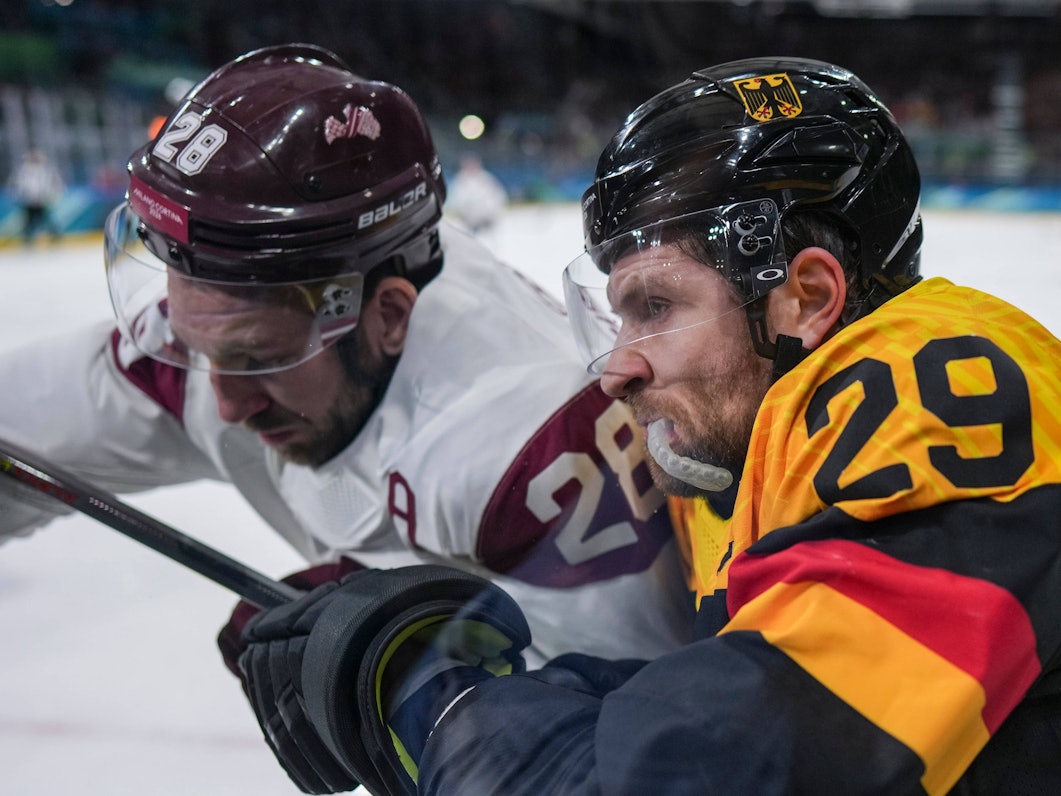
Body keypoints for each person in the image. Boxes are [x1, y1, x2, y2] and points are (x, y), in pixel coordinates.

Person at [232, 58, 1061, 795]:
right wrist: (422, 636)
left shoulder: (938, 386)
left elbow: (707, 771)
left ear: (804, 298)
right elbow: (718, 695)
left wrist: (427, 696)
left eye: (655, 307)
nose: (617, 368)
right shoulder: (738, 448)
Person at [0, 45, 694, 696]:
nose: (224, 401)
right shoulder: (208, 341)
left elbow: (641, 744)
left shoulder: (533, 452)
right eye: (198, 344)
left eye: (258, 356)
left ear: (387, 316)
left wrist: (415, 678)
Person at [8, 148, 65, 245]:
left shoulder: (48, 171)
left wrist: (51, 197)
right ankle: (27, 240)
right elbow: (14, 186)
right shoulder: (22, 172)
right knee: (28, 222)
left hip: (44, 201)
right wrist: (20, 197)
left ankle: (55, 238)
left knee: (48, 220)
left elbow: (57, 185)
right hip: (28, 202)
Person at [443, 154, 508, 235]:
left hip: (487, 218)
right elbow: (455, 200)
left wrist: (492, 212)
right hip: (468, 221)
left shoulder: (486, 178)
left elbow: (498, 194)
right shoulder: (460, 181)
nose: (471, 167)